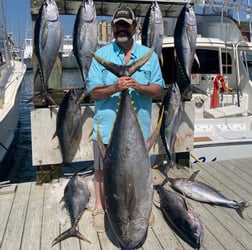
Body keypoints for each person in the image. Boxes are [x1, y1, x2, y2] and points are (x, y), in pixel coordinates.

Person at [86, 6, 165, 233]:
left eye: (126, 25)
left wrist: (138, 86)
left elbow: (158, 88)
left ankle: (142, 207)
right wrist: (115, 87)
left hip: (138, 128)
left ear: (135, 27)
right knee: (102, 171)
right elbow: (93, 90)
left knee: (139, 172)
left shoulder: (148, 55)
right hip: (106, 127)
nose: (122, 29)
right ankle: (101, 208)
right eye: (118, 25)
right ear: (112, 28)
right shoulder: (103, 56)